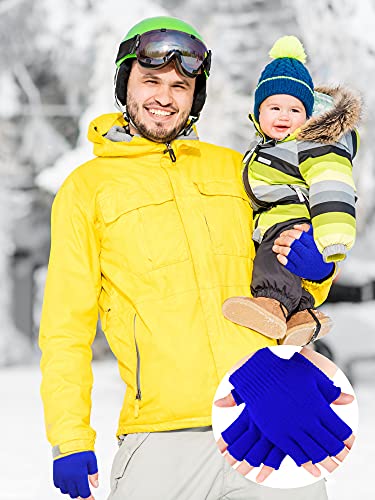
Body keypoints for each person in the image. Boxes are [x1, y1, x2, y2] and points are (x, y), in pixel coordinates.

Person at [39, 17, 339, 500]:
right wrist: (69, 438)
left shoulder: (236, 170)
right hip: (162, 437)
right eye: (150, 81)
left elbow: (280, 276)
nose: (165, 96)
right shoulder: (86, 191)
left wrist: (317, 271)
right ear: (125, 85)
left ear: (194, 97)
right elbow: (65, 330)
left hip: (268, 417)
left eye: (181, 85)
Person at [222, 35, 361, 346]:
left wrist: (333, 240)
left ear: (308, 115)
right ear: (258, 113)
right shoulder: (266, 148)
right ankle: (302, 316)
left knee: (275, 256)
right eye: (274, 107)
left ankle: (270, 304)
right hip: (283, 218)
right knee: (285, 264)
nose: (284, 116)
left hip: (290, 220)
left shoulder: (309, 145)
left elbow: (332, 184)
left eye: (295, 110)